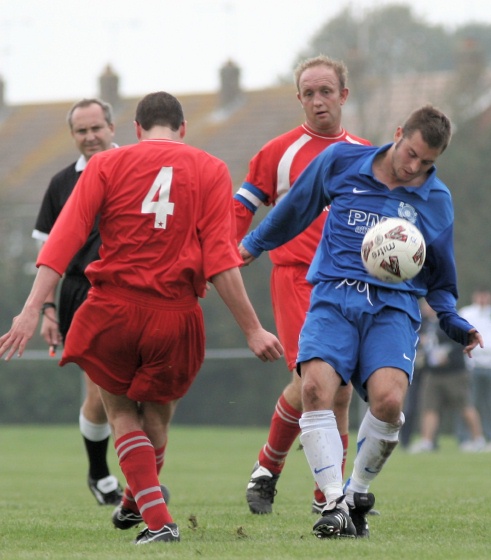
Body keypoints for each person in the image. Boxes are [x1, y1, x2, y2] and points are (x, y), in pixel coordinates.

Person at [0, 91, 283, 545]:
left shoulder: (105, 166)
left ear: (134, 129)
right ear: (183, 128)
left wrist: (32, 308)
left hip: (114, 309)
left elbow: (61, 241)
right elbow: (221, 262)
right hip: (176, 316)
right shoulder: (210, 169)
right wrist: (253, 328)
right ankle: (137, 500)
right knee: (157, 419)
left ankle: (156, 521)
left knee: (119, 413)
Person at [238, 104, 483, 539]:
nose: (414, 167)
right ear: (397, 134)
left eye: (427, 162)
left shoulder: (435, 199)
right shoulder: (341, 163)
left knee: (388, 402)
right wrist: (253, 244)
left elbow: (441, 278)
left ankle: (357, 494)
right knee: (315, 388)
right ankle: (332, 503)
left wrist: (452, 321)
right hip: (334, 296)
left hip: (394, 306)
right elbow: (295, 209)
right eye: (411, 153)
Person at [234, 55, 370, 515]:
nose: (317, 101)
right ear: (299, 99)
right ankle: (286, 475)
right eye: (308, 94)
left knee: (343, 389)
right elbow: (241, 209)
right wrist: (226, 254)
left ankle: (317, 494)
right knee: (315, 380)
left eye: (325, 92)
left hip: (350, 284)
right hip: (296, 277)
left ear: (343, 96)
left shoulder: (367, 154)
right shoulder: (279, 153)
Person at [31, 97, 123, 505]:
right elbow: (46, 255)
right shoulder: (61, 184)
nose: (90, 137)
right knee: (102, 392)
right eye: (81, 131)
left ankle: (137, 485)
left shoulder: (140, 169)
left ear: (112, 127)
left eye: (96, 128)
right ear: (73, 136)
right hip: (82, 295)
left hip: (139, 290)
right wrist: (47, 309)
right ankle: (101, 473)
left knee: (144, 393)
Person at [409, 299, 486, 453]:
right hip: (432, 373)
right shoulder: (423, 323)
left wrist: (447, 355)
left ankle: (478, 439)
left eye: (428, 305)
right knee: (429, 407)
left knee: (464, 406)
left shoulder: (451, 321)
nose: (425, 308)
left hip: (454, 373)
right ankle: (427, 442)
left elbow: (462, 342)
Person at [459, 288, 491, 446]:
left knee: (488, 403)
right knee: (469, 402)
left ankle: (488, 436)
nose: (483, 299)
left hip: (489, 364)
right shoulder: (467, 313)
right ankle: (466, 438)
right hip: (472, 363)